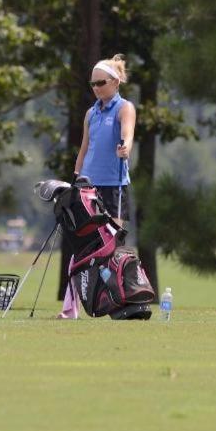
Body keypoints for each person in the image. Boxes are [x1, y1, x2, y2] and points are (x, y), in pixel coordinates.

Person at [59, 54, 137, 319]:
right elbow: (84, 148)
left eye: (100, 83)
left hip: (113, 186)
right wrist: (75, 178)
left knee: (112, 246)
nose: (95, 89)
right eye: (92, 84)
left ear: (115, 82)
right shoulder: (91, 113)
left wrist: (125, 146)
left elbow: (128, 132)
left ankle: (117, 299)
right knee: (81, 245)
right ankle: (70, 308)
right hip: (88, 186)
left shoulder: (123, 107)